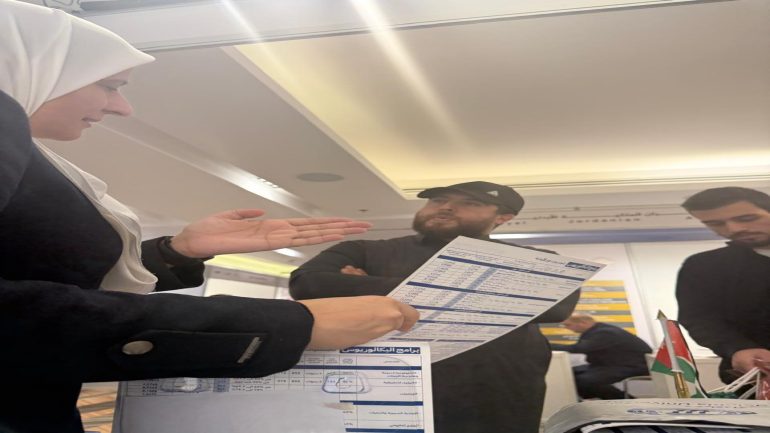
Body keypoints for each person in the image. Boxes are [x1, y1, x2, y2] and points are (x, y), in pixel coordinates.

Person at [0, 2, 419, 432]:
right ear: (31, 64)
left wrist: (176, 251)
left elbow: (37, 277)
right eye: (109, 85)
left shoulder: (35, 155)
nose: (121, 107)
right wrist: (293, 326)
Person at [290, 181, 580, 433]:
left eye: (471, 203)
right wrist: (494, 294)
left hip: (496, 389)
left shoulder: (536, 261)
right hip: (383, 381)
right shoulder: (364, 249)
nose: (447, 207)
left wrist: (368, 288)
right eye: (439, 200)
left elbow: (557, 308)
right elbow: (307, 284)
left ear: (503, 217)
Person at [676, 186, 770, 384]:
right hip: (755, 381)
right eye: (716, 224)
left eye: (747, 218)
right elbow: (700, 319)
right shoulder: (703, 266)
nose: (733, 229)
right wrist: (737, 348)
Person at [550, 314, 652, 399]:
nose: (566, 328)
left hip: (632, 365)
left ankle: (626, 402)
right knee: (568, 373)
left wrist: (547, 345)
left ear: (583, 323)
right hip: (612, 364)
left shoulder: (605, 332)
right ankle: (593, 397)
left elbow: (580, 348)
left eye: (568, 325)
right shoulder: (597, 331)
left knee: (585, 381)